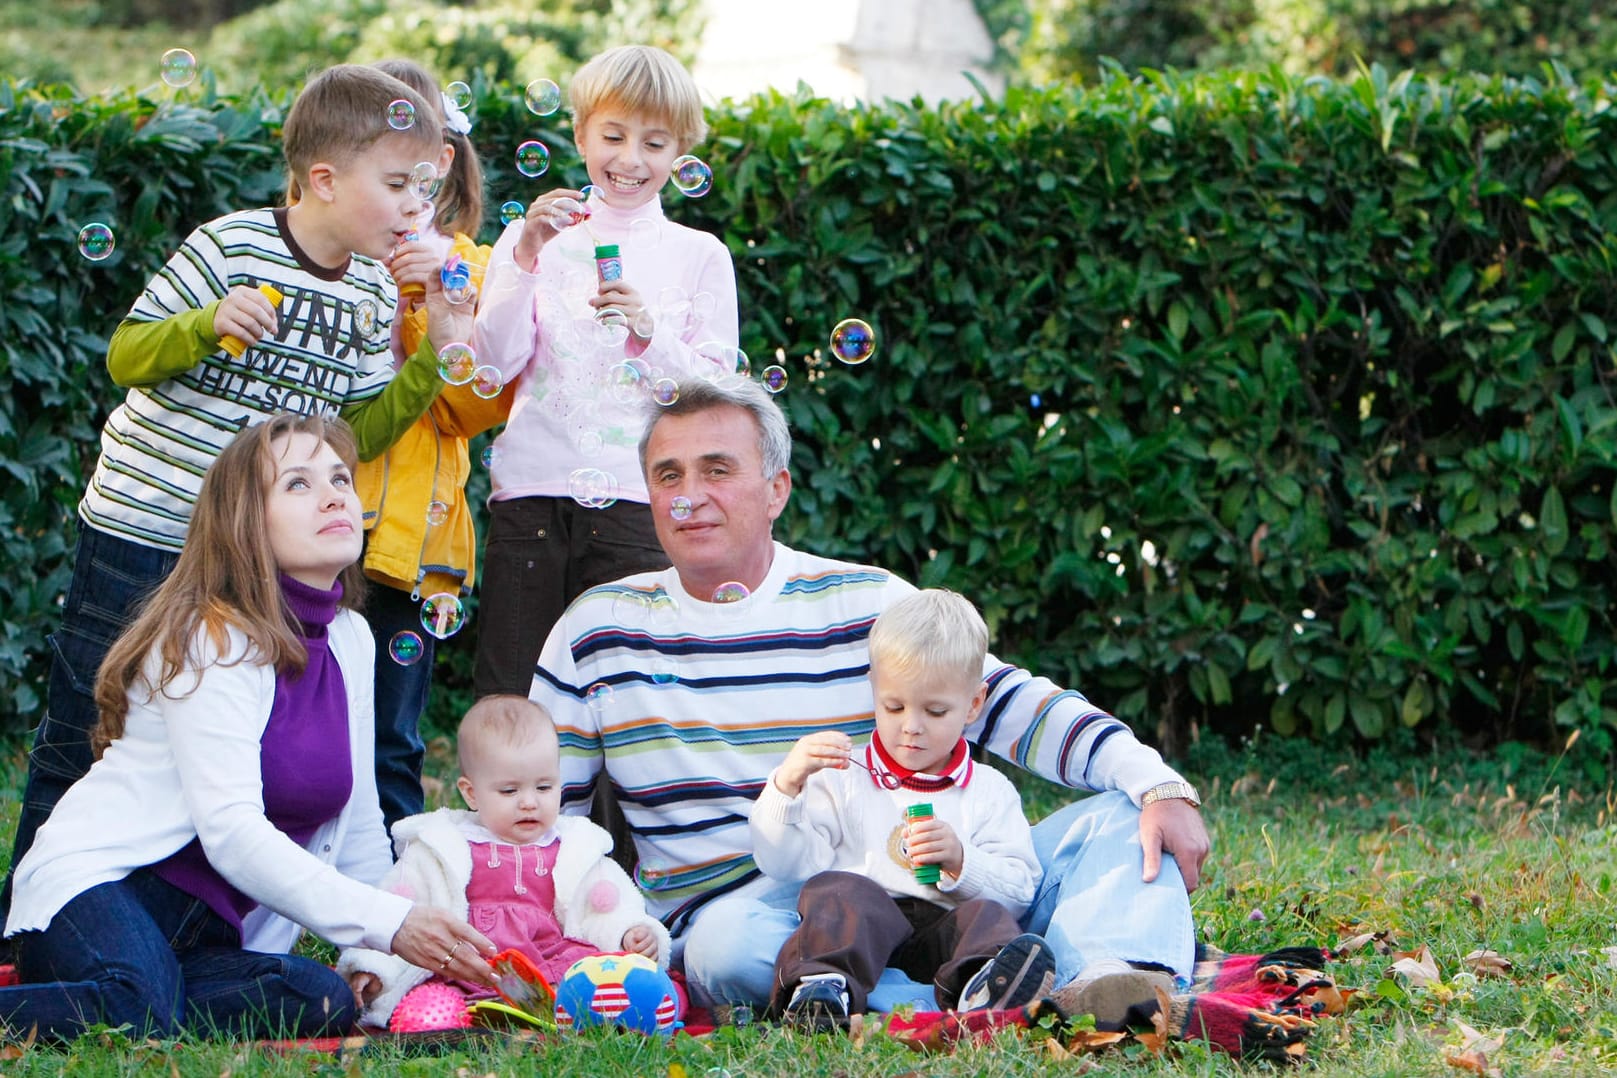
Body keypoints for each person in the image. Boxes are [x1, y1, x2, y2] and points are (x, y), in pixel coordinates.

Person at [530, 375, 1211, 1022]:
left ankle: (1115, 980)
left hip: (925, 882)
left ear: (776, 489)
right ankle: (1008, 986)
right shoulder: (599, 631)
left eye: (716, 469)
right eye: (667, 475)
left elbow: (1004, 702)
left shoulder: (863, 602)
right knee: (727, 954)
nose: (690, 496)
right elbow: (546, 822)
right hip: (746, 914)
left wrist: (1155, 783)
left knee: (1121, 815)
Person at [4, 63, 473, 909]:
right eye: (397, 183)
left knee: (215, 743)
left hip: (248, 560)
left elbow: (351, 436)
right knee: (86, 719)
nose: (415, 206)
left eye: (424, 187)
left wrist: (434, 353)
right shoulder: (231, 245)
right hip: (147, 529)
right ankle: (27, 923)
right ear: (324, 179)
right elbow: (125, 355)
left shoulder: (372, 291)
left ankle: (168, 917)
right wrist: (204, 324)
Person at [0, 415, 496, 1042]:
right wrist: (388, 919)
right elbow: (232, 832)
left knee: (321, 1002)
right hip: (102, 893)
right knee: (138, 1010)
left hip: (208, 937)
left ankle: (124, 996)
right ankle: (111, 991)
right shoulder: (212, 636)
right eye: (297, 483)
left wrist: (380, 956)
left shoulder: (348, 639)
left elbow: (364, 827)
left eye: (340, 477)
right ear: (245, 520)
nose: (335, 493)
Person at [470, 43, 740, 700]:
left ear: (681, 153)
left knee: (625, 703)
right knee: (513, 695)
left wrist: (650, 335)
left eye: (653, 143)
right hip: (530, 495)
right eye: (613, 136)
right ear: (580, 133)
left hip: (636, 502)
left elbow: (714, 401)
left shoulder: (697, 255)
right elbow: (489, 364)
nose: (630, 159)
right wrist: (527, 257)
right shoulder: (535, 237)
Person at [752, 589, 1054, 1031]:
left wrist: (963, 862)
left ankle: (983, 986)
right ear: (874, 689)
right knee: (839, 893)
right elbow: (784, 863)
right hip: (858, 934)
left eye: (934, 711)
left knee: (987, 918)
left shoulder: (989, 791)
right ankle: (821, 990)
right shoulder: (843, 776)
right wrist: (787, 785)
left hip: (941, 939)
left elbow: (1021, 889)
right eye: (893, 706)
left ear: (973, 704)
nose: (911, 727)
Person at [356, 58, 509, 833]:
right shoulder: (329, 257)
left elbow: (468, 410)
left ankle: (395, 887)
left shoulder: (473, 270)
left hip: (416, 544)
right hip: (316, 524)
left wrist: (432, 300)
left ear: (442, 159)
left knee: (389, 732)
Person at [337, 695, 670, 1029]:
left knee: (592, 983)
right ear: (471, 793)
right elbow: (401, 913)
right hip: (470, 965)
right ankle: (467, 1015)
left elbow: (604, 906)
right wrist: (374, 965)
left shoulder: (573, 847)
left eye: (544, 786)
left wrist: (629, 931)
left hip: (549, 961)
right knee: (431, 1004)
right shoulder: (442, 848)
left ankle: (558, 1008)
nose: (529, 802)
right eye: (509, 791)